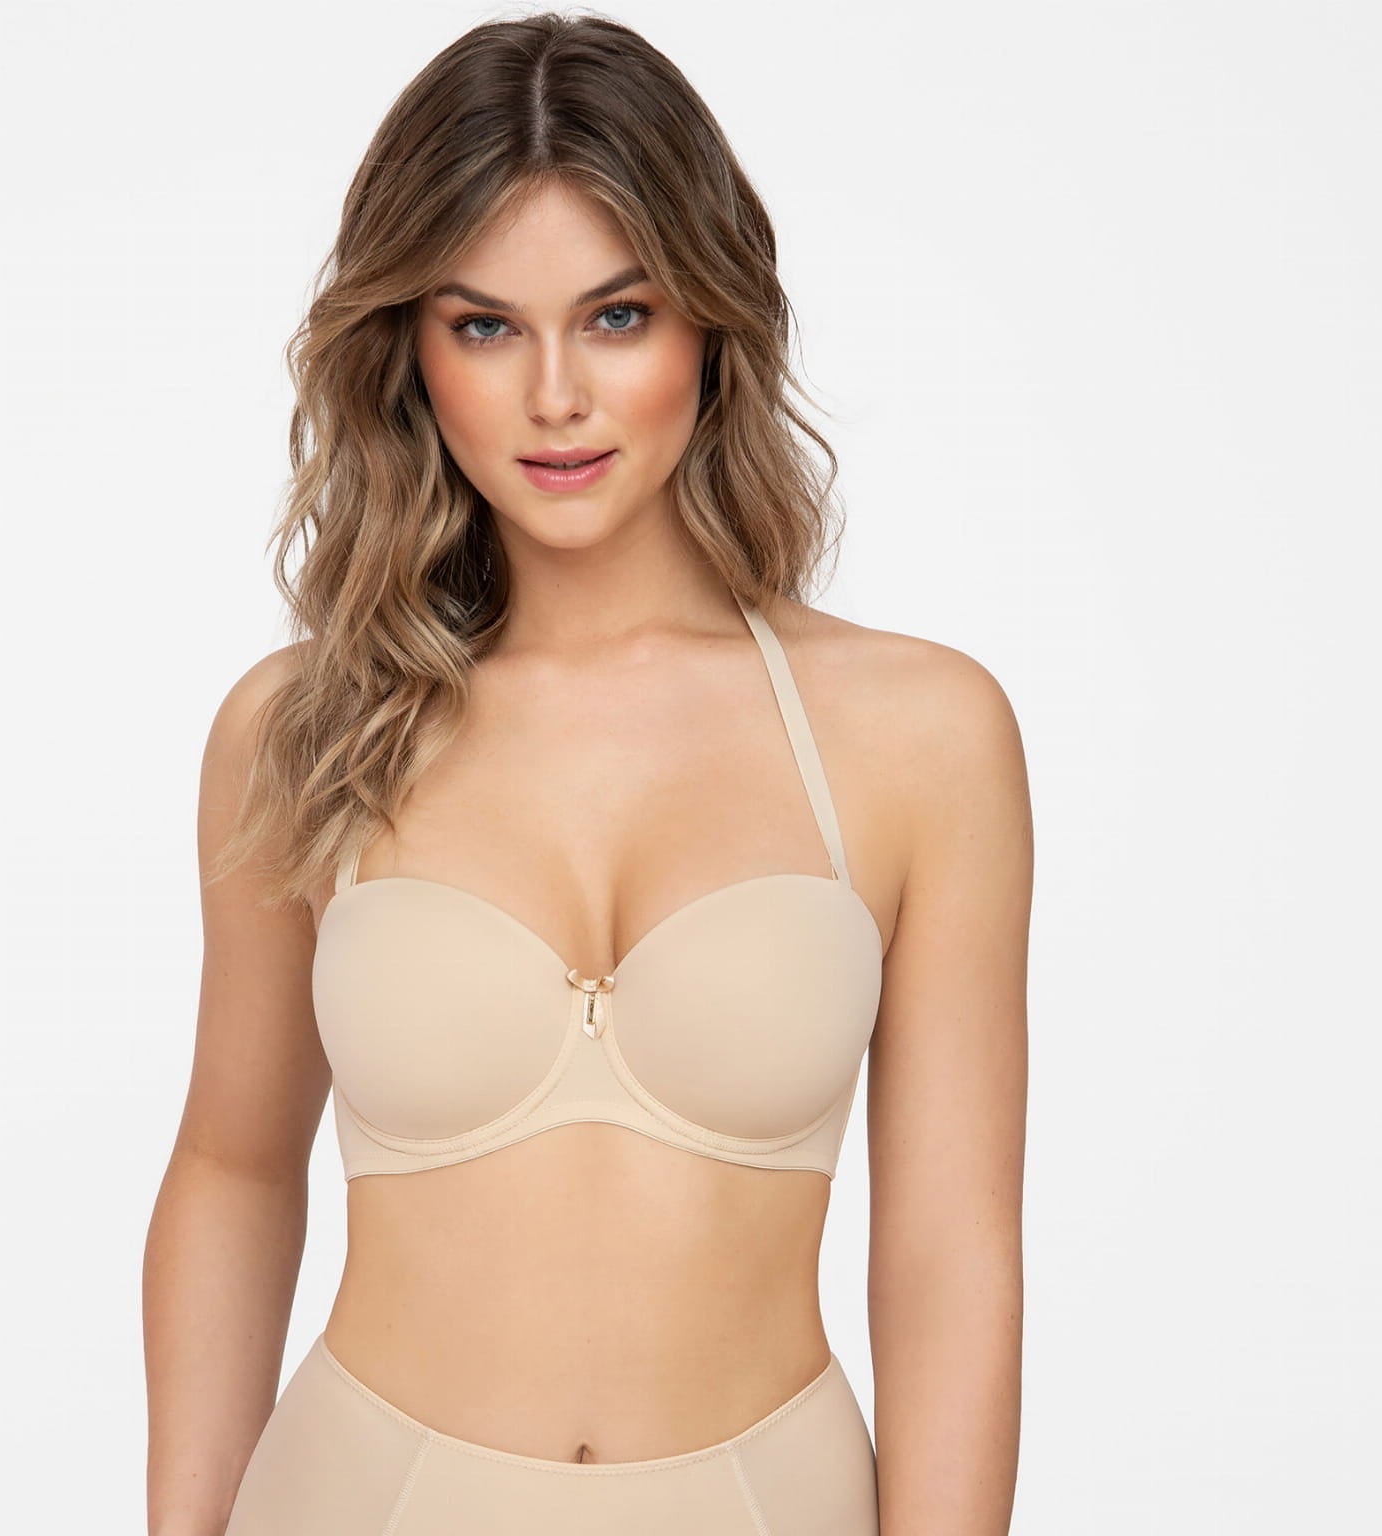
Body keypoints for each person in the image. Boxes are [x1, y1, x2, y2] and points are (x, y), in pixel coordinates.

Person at [142, 11, 1031, 1534]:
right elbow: (233, 1168)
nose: (555, 394)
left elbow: (950, 1258)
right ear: (411, 353)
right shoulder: (303, 727)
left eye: (617, 316)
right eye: (486, 326)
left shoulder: (921, 736)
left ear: (711, 325)